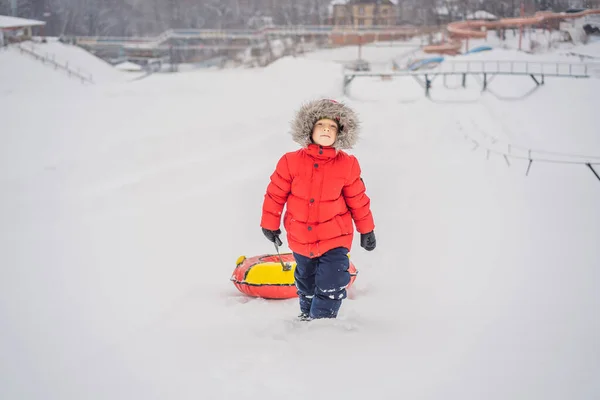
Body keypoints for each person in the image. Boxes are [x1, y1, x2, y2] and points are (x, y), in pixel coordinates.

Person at [260, 98, 376, 320]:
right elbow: (275, 194)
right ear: (309, 129)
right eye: (321, 125)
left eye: (332, 126)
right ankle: (307, 314)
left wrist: (366, 229)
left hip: (335, 236)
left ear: (340, 133)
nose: (326, 130)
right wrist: (270, 224)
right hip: (300, 236)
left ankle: (321, 325)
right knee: (306, 279)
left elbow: (358, 199)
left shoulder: (347, 164)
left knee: (332, 280)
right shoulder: (290, 162)